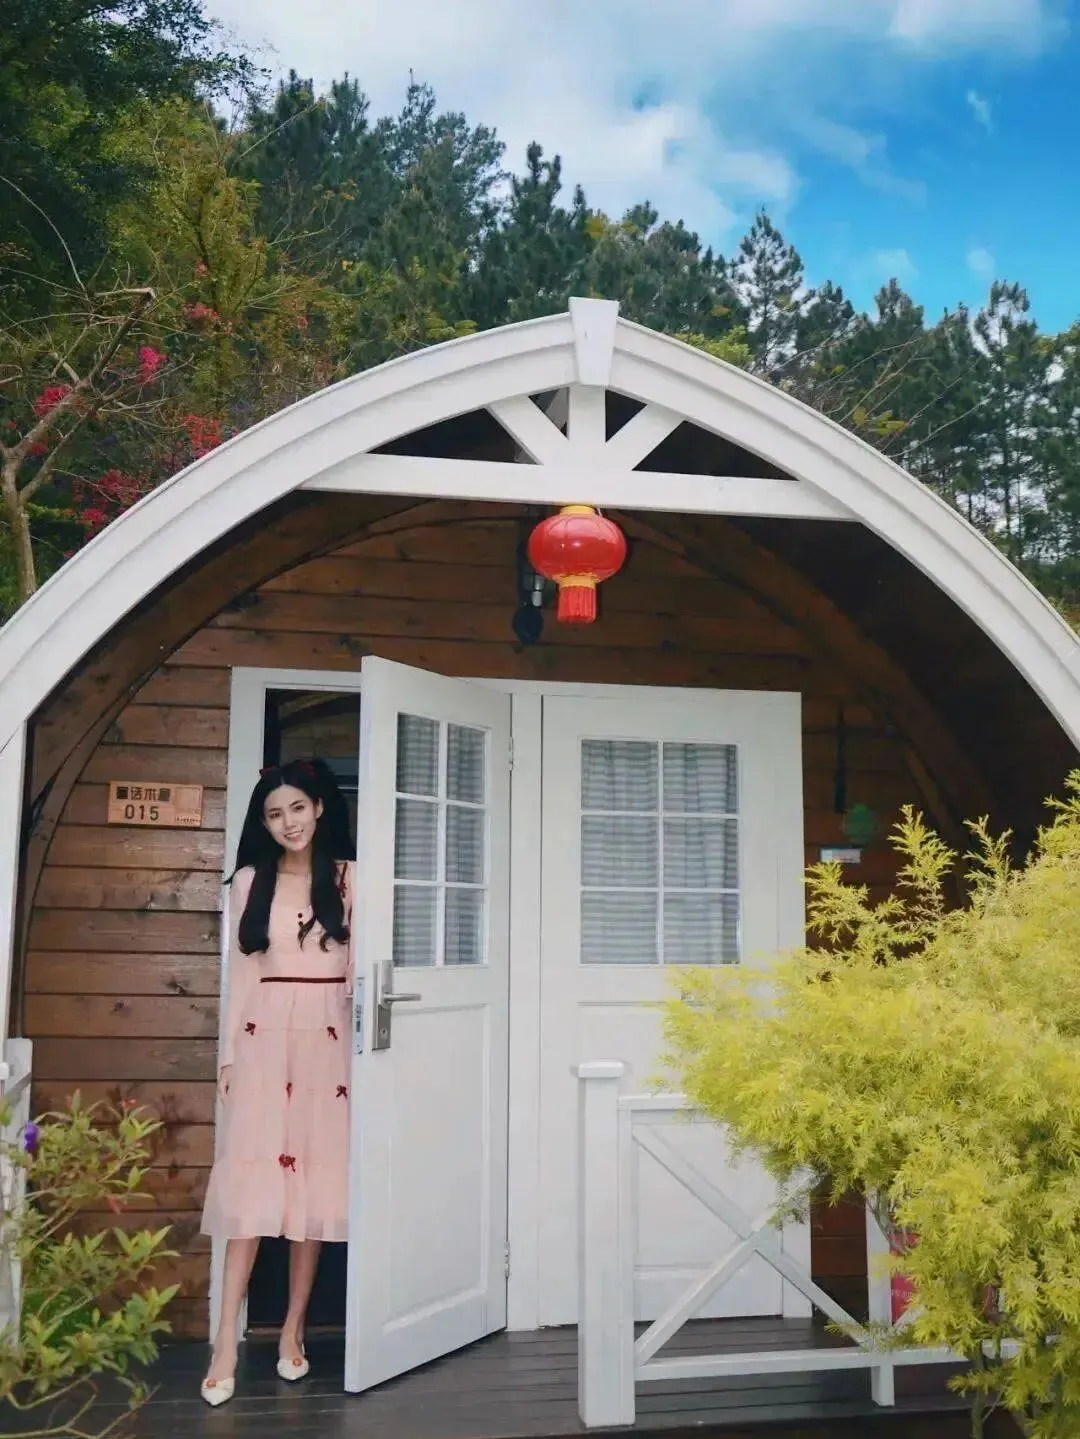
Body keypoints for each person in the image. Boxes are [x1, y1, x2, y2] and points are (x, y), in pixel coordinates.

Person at [200, 758, 355, 1407]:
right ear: (262, 824)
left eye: (296, 807)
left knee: (313, 1183)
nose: (288, 822)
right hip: (263, 1036)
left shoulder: (349, 879)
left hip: (329, 1040)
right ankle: (224, 1342)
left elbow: (362, 974)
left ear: (318, 807)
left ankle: (293, 1327)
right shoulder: (249, 880)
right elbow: (240, 976)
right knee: (251, 1184)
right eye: (273, 814)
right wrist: (229, 1060)